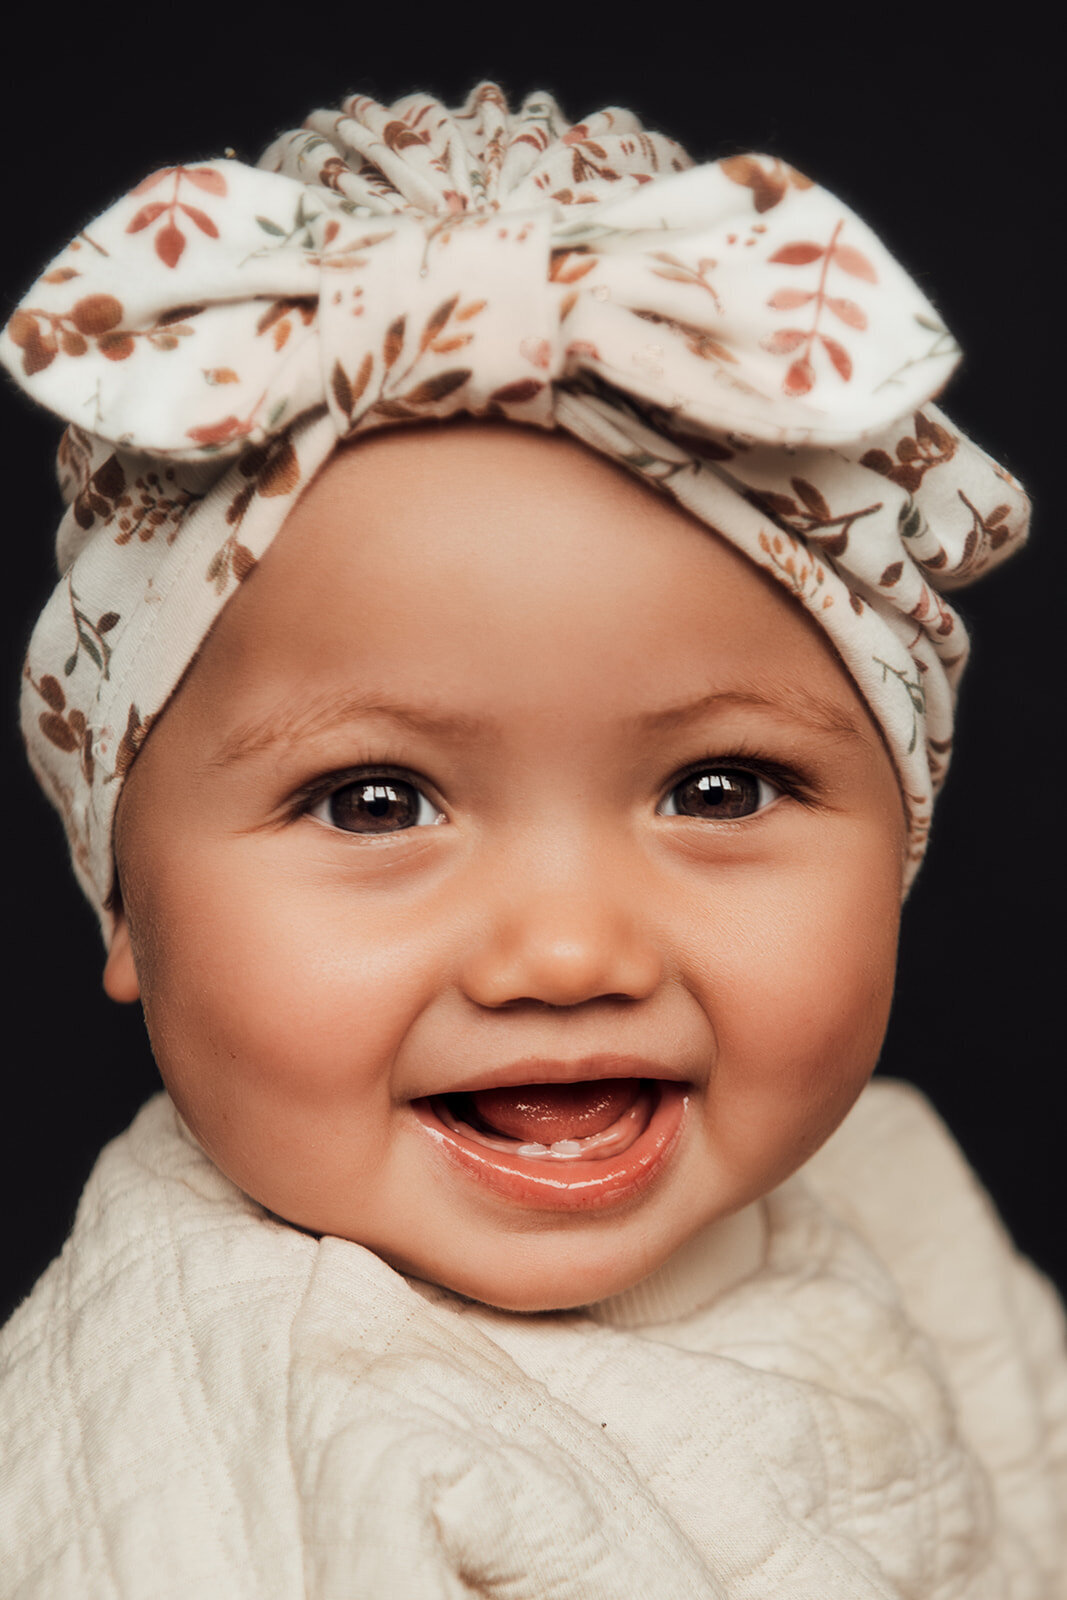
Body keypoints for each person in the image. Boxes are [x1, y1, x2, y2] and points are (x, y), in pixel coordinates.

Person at [1, 81, 1063, 1597]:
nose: (566, 951)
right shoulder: (225, 1438)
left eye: (720, 789)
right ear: (127, 897)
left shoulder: (905, 1202)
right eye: (375, 802)